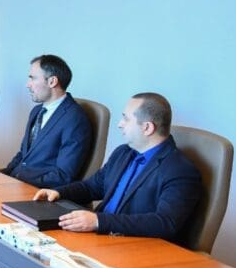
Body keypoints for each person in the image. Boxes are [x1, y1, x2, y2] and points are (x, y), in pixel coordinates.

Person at [33, 93, 202, 241]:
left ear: (147, 127)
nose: (120, 124)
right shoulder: (123, 153)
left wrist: (98, 222)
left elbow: (165, 223)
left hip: (129, 245)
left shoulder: (179, 170)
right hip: (97, 236)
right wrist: (59, 193)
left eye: (126, 119)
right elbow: (93, 187)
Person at [2, 55, 92, 188]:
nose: (28, 84)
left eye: (33, 78)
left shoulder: (75, 119)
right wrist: (1, 176)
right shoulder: (37, 111)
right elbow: (23, 155)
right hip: (17, 185)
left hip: (39, 192)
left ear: (52, 82)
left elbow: (63, 176)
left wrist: (19, 178)